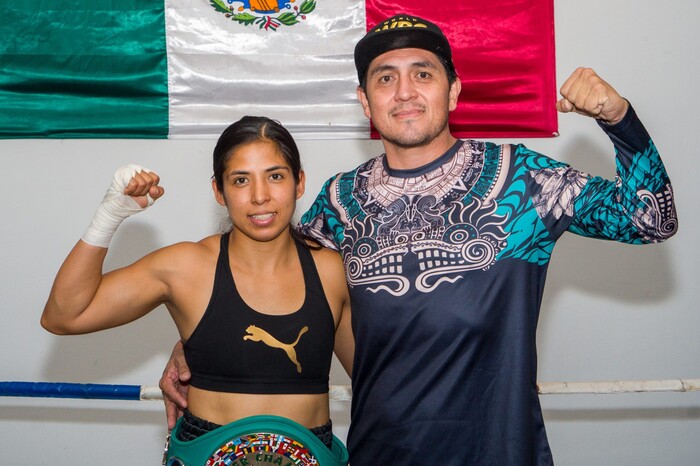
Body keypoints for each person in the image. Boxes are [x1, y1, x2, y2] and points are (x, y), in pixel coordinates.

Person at [160, 15, 678, 465]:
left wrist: (619, 119)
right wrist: (193, 346)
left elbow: (650, 220)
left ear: (452, 89)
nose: (404, 92)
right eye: (385, 78)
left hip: (501, 452)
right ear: (365, 101)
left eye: (422, 74)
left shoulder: (526, 181)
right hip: (378, 454)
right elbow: (276, 284)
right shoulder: (340, 201)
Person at [41, 116, 353, 465]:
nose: (260, 196)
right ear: (219, 191)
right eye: (240, 180)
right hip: (203, 450)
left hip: (313, 450)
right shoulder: (187, 267)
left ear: (299, 183)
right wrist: (108, 217)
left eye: (275, 176)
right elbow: (65, 314)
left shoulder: (332, 271)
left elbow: (376, 374)